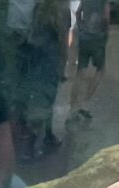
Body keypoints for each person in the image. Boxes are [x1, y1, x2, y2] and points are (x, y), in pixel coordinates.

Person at [20, 0, 70, 159]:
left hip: (37, 57)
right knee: (46, 99)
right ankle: (32, 145)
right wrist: (63, 65)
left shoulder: (39, 7)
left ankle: (42, 136)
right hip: (51, 59)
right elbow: (63, 41)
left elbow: (31, 31)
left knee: (37, 98)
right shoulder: (62, 11)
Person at [69, 0, 110, 122]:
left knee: (80, 71)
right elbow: (106, 17)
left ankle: (73, 107)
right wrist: (106, 33)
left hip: (84, 36)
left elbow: (78, 12)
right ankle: (85, 102)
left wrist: (81, 26)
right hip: (98, 38)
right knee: (100, 70)